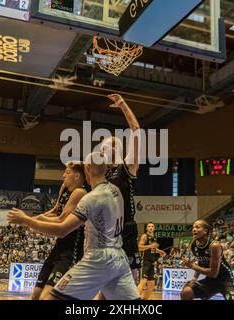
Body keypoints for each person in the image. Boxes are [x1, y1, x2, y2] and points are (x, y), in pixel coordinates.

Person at [8, 152, 139, 300]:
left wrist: (26, 220)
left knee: (51, 298)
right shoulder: (116, 191)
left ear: (87, 168)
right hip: (119, 258)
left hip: (98, 258)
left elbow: (62, 229)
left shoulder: (90, 198)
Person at [30, 161, 87, 300]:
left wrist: (32, 221)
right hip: (59, 246)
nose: (63, 175)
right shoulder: (64, 188)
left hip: (72, 250)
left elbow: (62, 219)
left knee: (47, 297)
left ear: (77, 176)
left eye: (67, 173)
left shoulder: (79, 192)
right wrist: (33, 219)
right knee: (36, 295)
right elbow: (55, 211)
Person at [101, 94, 142, 279]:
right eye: (101, 148)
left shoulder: (127, 167)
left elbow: (136, 130)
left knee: (131, 279)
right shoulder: (101, 176)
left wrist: (122, 105)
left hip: (126, 228)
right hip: (106, 230)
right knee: (104, 281)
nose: (101, 150)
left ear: (116, 148)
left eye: (105, 146)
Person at [180, 220, 234, 300]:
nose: (194, 229)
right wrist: (194, 279)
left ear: (205, 231)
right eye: (193, 227)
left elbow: (213, 273)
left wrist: (192, 266)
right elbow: (201, 262)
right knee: (186, 292)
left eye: (197, 227)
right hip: (210, 281)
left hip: (225, 279)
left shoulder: (214, 245)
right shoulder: (194, 245)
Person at [137, 222, 166, 300]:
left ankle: (145, 299)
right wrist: (151, 246)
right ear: (146, 228)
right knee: (143, 281)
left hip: (152, 262)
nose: (150, 227)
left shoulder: (154, 237)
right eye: (149, 226)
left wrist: (160, 251)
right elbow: (139, 247)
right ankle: (134, 298)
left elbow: (152, 249)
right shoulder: (144, 236)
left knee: (151, 284)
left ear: (154, 228)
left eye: (152, 226)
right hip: (145, 260)